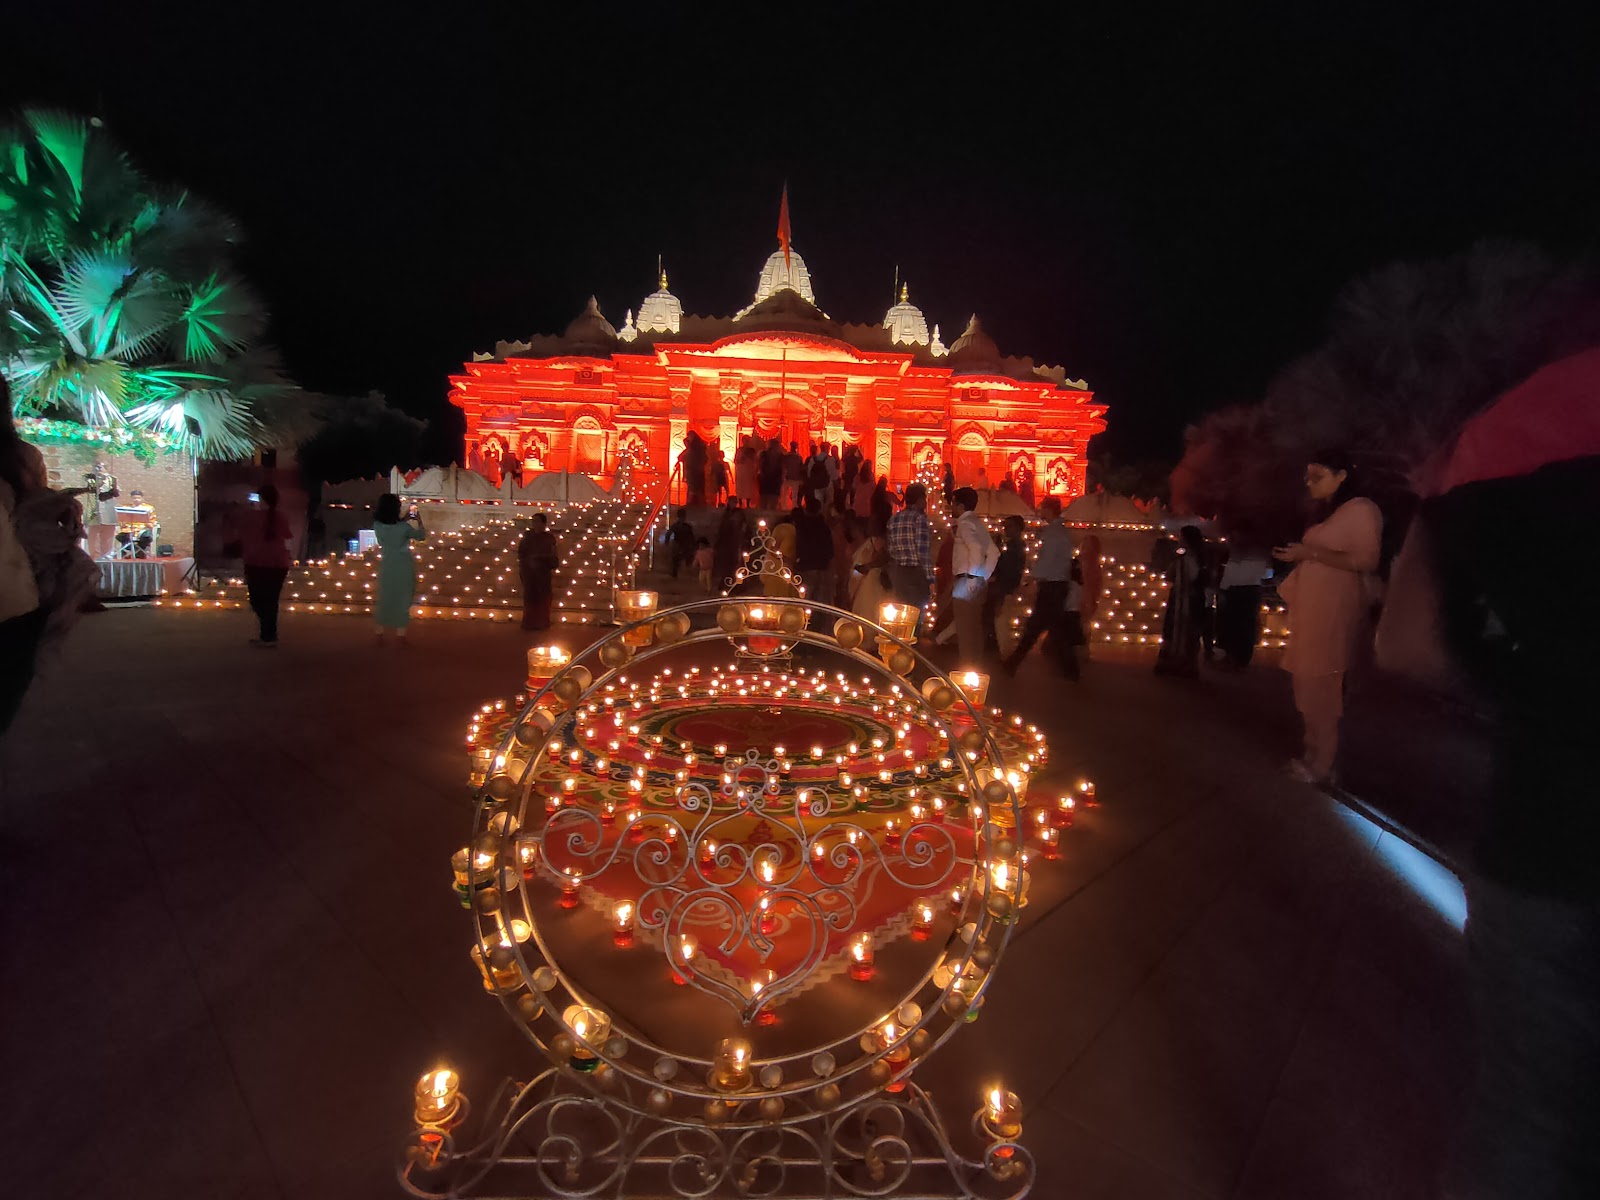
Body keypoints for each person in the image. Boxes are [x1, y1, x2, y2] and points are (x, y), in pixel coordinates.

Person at [1273, 449, 1382, 784]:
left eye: (1317, 476)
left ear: (1342, 476)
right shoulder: (1331, 514)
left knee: (1323, 686)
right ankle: (1311, 753)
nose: (1309, 483)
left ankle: (1323, 765)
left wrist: (1311, 553)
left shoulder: (1362, 509)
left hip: (1334, 612)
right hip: (1312, 610)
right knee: (1305, 682)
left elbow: (1366, 561)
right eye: (1307, 476)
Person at [3, 382, 94, 735]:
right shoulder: (20, 459)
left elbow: (37, 513)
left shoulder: (20, 459)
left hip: (14, 601)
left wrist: (61, 509)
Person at [1002, 495, 1076, 678]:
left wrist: (1030, 579)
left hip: (1051, 586)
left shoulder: (1053, 533)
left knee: (1036, 627)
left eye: (1042, 508)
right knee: (1054, 629)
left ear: (1049, 510)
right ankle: (1070, 669)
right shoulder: (1061, 532)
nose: (1040, 511)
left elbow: (1047, 560)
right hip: (1058, 585)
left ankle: (1014, 662)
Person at [937, 487, 999, 663]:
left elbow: (977, 548)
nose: (951, 508)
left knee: (965, 631)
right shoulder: (977, 523)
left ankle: (967, 675)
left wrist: (972, 578)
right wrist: (983, 577)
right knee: (974, 629)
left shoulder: (964, 524)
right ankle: (975, 672)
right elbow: (994, 553)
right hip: (974, 581)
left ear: (961, 505)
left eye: (953, 504)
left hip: (966, 581)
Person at [241, 483, 293, 646]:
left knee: (258, 599)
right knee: (271, 599)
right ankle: (269, 634)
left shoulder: (252, 516)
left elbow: (241, 530)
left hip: (257, 562)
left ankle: (268, 635)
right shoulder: (280, 516)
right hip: (277, 563)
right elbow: (287, 534)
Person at [373, 493, 428, 644]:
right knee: (403, 597)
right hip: (403, 564)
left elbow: (392, 528)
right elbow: (421, 536)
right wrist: (418, 520)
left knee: (386, 596)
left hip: (387, 563)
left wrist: (404, 520)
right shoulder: (404, 528)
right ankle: (400, 635)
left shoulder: (377, 526)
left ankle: (379, 633)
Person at [1154, 524, 1208, 678]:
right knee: (1176, 629)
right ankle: (1178, 663)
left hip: (1189, 598)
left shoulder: (1193, 559)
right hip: (1184, 598)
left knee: (1186, 630)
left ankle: (1183, 664)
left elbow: (1190, 576)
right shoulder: (1191, 557)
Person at [885, 482, 934, 617]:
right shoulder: (919, 519)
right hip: (915, 574)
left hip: (898, 572)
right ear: (919, 500)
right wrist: (930, 579)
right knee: (916, 614)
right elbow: (923, 552)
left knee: (901, 614)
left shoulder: (894, 519)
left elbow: (891, 548)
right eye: (924, 499)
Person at [1216, 545, 1270, 667]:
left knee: (1239, 624)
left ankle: (1237, 657)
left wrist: (1224, 588)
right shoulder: (1254, 554)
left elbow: (1232, 573)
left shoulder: (1245, 555)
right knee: (1242, 624)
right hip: (1247, 590)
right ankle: (1238, 657)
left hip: (1241, 590)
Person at [984, 515, 1026, 656]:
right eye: (1005, 526)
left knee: (999, 620)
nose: (1005, 529)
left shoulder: (1015, 548)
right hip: (1002, 586)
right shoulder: (1011, 546)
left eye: (1009, 526)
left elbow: (1008, 570)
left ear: (1018, 528)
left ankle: (1003, 653)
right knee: (995, 618)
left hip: (1003, 587)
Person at [517, 511, 559, 631]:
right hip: (528, 571)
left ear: (543, 523)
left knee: (543, 596)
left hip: (542, 571)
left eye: (537, 521)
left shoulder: (548, 538)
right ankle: (529, 622)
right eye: (533, 521)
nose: (534, 524)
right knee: (529, 597)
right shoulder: (527, 536)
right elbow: (521, 553)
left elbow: (552, 554)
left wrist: (540, 559)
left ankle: (542, 622)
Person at [849, 516, 892, 620]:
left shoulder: (878, 542)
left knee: (870, 609)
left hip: (872, 580)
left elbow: (880, 559)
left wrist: (865, 567)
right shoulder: (867, 542)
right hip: (866, 579)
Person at [793, 494, 834, 603]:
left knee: (805, 599)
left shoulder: (801, 525)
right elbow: (829, 547)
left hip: (806, 565)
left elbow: (798, 544)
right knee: (820, 600)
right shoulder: (824, 526)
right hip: (822, 566)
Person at [83, 460, 118, 559]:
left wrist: (113, 488)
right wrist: (99, 481)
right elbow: (90, 489)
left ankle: (107, 555)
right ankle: (93, 556)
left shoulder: (112, 479)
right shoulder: (89, 478)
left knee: (108, 535)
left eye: (101, 467)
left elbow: (115, 493)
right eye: (96, 467)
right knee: (93, 536)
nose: (98, 469)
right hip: (94, 511)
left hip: (108, 510)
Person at [712, 500, 747, 592]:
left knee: (736, 566)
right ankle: (725, 584)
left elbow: (744, 528)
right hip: (726, 546)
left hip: (736, 545)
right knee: (726, 567)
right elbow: (721, 532)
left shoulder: (739, 514)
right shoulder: (726, 517)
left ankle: (736, 585)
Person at [679, 431, 707, 507]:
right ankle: (693, 502)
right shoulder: (692, 449)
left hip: (695, 470)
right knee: (693, 487)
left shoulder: (696, 448)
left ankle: (693, 502)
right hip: (693, 470)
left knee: (694, 487)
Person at [667, 507, 696, 578]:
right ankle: (677, 572)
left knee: (679, 558)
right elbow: (669, 533)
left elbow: (669, 533)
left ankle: (678, 572)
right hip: (681, 544)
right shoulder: (685, 526)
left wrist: (667, 541)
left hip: (682, 544)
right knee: (677, 558)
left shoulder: (679, 526)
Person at [759, 439, 784, 509]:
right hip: (769, 479)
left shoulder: (764, 454)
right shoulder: (764, 454)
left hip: (771, 479)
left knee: (767, 499)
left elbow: (760, 465)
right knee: (768, 499)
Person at [734, 439, 759, 509]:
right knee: (740, 488)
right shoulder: (739, 450)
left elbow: (755, 460)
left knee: (749, 488)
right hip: (741, 472)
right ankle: (740, 502)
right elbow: (736, 460)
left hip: (749, 472)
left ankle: (748, 503)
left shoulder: (752, 451)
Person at [781, 441, 805, 508]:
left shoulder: (788, 457)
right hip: (792, 478)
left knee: (787, 494)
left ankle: (786, 507)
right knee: (792, 495)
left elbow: (784, 467)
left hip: (790, 478)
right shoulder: (797, 457)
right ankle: (790, 507)